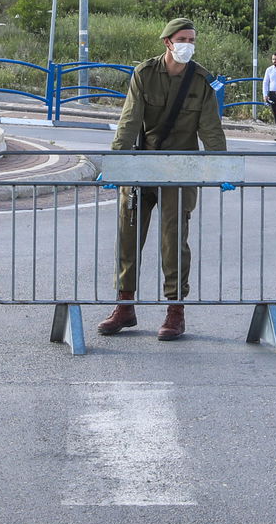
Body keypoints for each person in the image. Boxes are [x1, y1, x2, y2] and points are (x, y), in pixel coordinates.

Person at [98, 18, 228, 342]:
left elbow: (211, 129)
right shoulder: (144, 74)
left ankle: (175, 311)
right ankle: (124, 306)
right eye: (183, 39)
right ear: (167, 42)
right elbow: (129, 121)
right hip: (142, 166)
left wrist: (222, 167)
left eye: (192, 40)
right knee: (128, 238)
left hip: (180, 170)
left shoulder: (201, 81)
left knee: (174, 241)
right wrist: (117, 164)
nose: (188, 45)